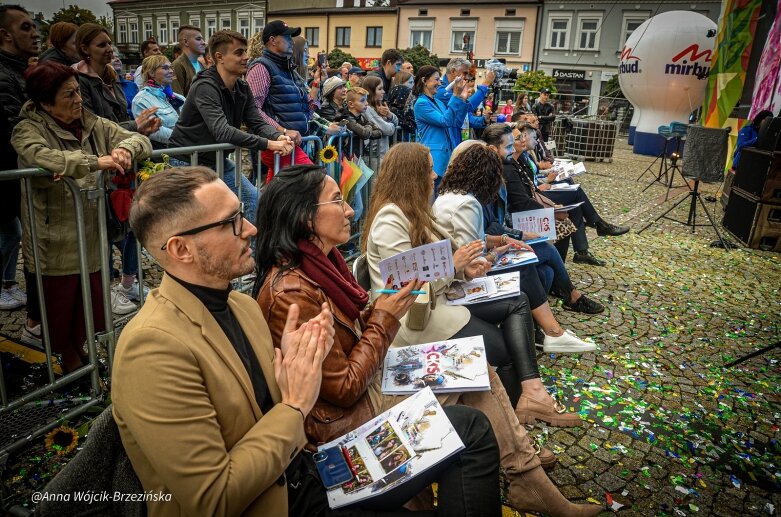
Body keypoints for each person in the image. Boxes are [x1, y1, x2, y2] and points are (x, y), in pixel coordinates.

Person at [116, 166, 503, 517]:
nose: (251, 228)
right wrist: (296, 404)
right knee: (469, 433)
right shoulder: (151, 348)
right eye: (231, 223)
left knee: (469, 427)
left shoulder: (239, 306)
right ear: (181, 249)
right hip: (284, 499)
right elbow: (214, 498)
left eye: (242, 215)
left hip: (308, 469)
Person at [256, 163, 602, 516]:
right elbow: (344, 387)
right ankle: (524, 476)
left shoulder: (322, 264)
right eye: (337, 200)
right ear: (305, 217)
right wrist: (385, 315)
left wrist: (383, 311)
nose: (349, 209)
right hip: (348, 417)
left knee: (476, 368)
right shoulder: (294, 290)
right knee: (481, 370)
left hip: (372, 374)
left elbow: (357, 328)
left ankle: (524, 475)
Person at [11, 61, 151, 371]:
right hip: (54, 245)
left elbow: (141, 140)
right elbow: (41, 156)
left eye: (78, 92)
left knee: (88, 315)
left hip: (91, 239)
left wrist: (126, 148)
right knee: (61, 318)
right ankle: (68, 372)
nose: (78, 100)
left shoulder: (92, 122)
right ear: (45, 102)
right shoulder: (28, 128)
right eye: (68, 95)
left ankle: (81, 368)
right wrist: (94, 162)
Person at [433, 143, 600, 350]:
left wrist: (503, 240)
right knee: (527, 265)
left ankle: (538, 330)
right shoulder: (468, 203)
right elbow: (473, 258)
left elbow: (472, 239)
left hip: (465, 267)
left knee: (545, 270)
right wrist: (497, 253)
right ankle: (553, 331)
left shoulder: (452, 196)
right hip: (464, 278)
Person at [169, 30, 293, 220]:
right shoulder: (205, 86)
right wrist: (269, 144)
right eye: (239, 53)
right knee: (200, 220)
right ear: (219, 57)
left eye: (245, 52)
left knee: (253, 203)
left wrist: (277, 136)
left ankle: (252, 250)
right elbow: (222, 131)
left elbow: (257, 121)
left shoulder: (242, 87)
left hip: (216, 160)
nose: (246, 57)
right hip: (187, 162)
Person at [494, 123, 627, 267]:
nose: (523, 141)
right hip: (524, 211)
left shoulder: (518, 160)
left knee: (572, 203)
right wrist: (550, 211)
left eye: (521, 138)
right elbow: (522, 199)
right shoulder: (509, 165)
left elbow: (529, 184)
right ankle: (593, 231)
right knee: (571, 203)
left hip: (534, 198)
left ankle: (580, 252)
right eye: (518, 139)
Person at [246, 20, 328, 175]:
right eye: (287, 37)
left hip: (291, 145)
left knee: (279, 195)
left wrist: (317, 83)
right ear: (272, 40)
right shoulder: (261, 68)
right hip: (276, 146)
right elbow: (253, 111)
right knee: (316, 180)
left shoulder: (289, 70)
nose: (291, 41)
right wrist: (282, 131)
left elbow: (305, 112)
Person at [0, 4, 38, 315]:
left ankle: (7, 285)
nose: (35, 33)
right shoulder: (4, 74)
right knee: (12, 231)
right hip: (10, 171)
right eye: (26, 27)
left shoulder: (20, 68)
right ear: (5, 35)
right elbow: (17, 128)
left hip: (18, 171)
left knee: (13, 231)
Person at [73, 24, 160, 135]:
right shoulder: (79, 80)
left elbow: (123, 117)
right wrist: (135, 125)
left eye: (109, 43)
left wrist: (143, 130)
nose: (109, 49)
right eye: (102, 45)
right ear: (85, 49)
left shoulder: (113, 76)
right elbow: (92, 127)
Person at [413, 65, 469, 183]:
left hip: (447, 159)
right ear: (424, 80)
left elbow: (456, 122)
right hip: (435, 161)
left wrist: (462, 99)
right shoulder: (421, 104)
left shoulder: (438, 101)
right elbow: (445, 121)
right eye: (436, 79)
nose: (439, 83)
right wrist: (455, 96)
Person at [132, 55, 185, 148]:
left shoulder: (177, 97)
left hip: (188, 150)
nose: (171, 71)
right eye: (165, 68)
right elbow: (154, 131)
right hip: (166, 154)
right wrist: (185, 138)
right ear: (152, 73)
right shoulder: (141, 100)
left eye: (171, 67)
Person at [436, 58, 493, 142]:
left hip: (456, 139)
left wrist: (484, 120)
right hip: (445, 141)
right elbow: (468, 106)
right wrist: (485, 84)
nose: (466, 77)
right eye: (465, 73)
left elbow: (465, 117)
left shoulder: (455, 89)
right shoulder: (442, 91)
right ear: (453, 71)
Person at [362, 75, 398, 170]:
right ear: (371, 91)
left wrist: (389, 115)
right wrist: (392, 125)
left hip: (381, 155)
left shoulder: (378, 106)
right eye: (380, 89)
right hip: (373, 157)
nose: (383, 92)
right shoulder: (367, 109)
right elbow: (387, 130)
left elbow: (396, 122)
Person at [171, 25, 206, 96]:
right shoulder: (177, 65)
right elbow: (178, 98)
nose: (203, 42)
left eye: (202, 39)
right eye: (198, 39)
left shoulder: (201, 65)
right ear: (186, 42)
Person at [388, 70, 416, 137]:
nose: (413, 86)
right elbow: (411, 126)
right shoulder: (393, 109)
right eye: (410, 82)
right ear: (400, 84)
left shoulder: (408, 105)